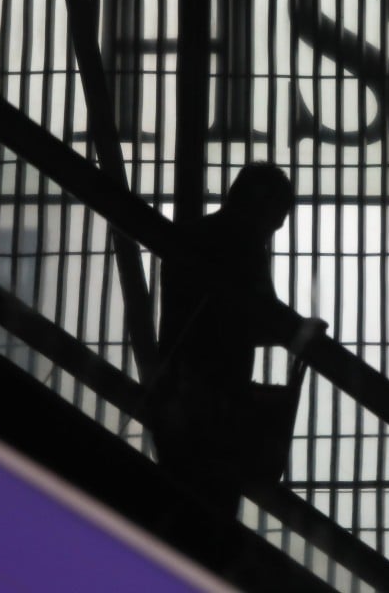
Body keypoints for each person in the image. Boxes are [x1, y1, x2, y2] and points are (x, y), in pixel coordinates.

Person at [151, 162, 325, 516]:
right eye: (278, 215)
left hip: (177, 399)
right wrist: (302, 331)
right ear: (262, 206)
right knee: (213, 512)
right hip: (216, 411)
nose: (277, 226)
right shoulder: (244, 248)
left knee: (179, 509)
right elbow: (263, 318)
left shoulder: (188, 238)